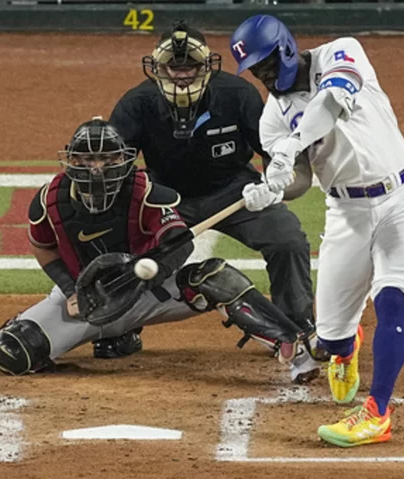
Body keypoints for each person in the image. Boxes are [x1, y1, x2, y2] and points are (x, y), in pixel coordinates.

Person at [0, 117, 319, 381]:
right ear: (71, 160)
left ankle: (294, 346)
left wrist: (141, 271)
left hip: (147, 295)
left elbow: (177, 239)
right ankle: (111, 335)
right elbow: (44, 249)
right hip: (86, 302)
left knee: (213, 276)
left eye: (106, 158)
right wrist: (72, 290)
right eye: (87, 159)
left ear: (123, 158)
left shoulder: (145, 192)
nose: (97, 167)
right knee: (12, 352)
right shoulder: (50, 201)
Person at [230, 15, 404, 447]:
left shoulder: (342, 51)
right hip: (347, 214)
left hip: (402, 199)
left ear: (285, 49)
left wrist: (293, 140)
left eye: (266, 65)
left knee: (392, 300)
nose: (264, 77)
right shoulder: (272, 119)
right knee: (331, 338)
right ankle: (346, 347)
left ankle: (377, 414)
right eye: (255, 72)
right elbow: (300, 180)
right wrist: (274, 189)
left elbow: (334, 99)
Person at [107, 20, 320, 383]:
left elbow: (282, 160)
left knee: (287, 239)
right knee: (127, 249)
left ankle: (297, 327)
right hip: (168, 198)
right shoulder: (135, 105)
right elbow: (116, 173)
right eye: (174, 67)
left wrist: (273, 186)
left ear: (206, 66)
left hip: (236, 191)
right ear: (157, 69)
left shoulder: (238, 95)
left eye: (189, 66)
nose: (182, 75)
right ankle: (119, 327)